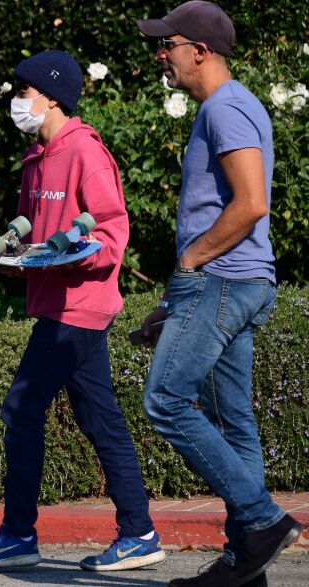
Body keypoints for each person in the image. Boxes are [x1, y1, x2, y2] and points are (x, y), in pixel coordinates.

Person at [0, 50, 165, 572]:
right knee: (99, 418)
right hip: (56, 302)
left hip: (79, 305)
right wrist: (17, 261)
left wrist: (75, 256)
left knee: (22, 407)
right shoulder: (37, 157)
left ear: (50, 97)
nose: (15, 100)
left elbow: (112, 232)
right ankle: (139, 533)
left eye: (23, 92)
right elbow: (31, 228)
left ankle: (17, 536)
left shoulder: (85, 151)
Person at [135, 2, 303, 586]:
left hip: (222, 280)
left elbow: (251, 203)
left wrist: (189, 264)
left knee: (165, 400)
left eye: (168, 44)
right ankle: (245, 568)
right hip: (233, 282)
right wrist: (173, 299)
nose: (161, 55)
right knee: (232, 421)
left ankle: (261, 521)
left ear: (201, 51)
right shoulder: (234, 106)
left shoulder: (225, 109)